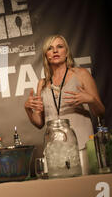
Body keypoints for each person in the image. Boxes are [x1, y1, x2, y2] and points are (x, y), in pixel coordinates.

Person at [24, 35, 105, 169]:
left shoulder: (81, 74)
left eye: (59, 47)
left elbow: (100, 112)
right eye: (50, 48)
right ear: (46, 55)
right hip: (54, 148)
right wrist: (28, 109)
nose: (55, 51)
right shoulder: (42, 84)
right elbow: (39, 123)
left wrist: (90, 99)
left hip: (81, 144)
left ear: (66, 52)